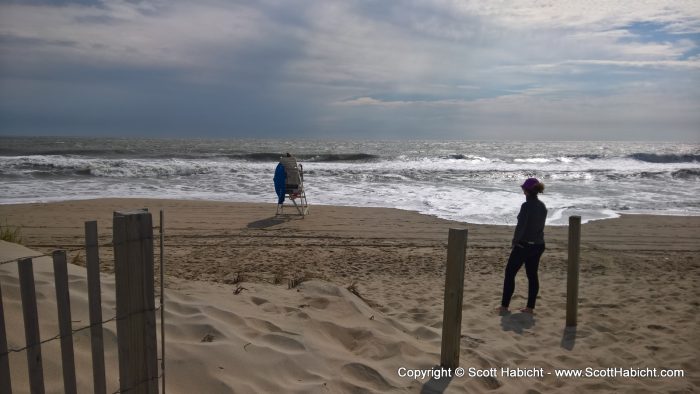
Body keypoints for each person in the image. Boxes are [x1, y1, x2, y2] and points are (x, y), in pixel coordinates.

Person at [499, 178, 547, 314]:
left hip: (524, 245)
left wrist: (515, 242)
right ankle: (530, 308)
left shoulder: (526, 206)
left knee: (510, 273)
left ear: (526, 191)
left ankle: (504, 306)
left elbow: (521, 227)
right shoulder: (542, 206)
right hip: (538, 245)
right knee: (532, 275)